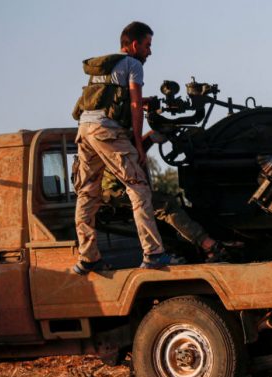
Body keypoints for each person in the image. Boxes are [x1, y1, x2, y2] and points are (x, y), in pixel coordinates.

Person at [72, 21, 171, 274]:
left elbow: (111, 99)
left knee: (87, 194)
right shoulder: (134, 65)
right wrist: (138, 144)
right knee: (138, 188)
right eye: (148, 45)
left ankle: (88, 258)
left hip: (85, 131)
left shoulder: (104, 67)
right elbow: (136, 106)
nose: (150, 51)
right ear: (135, 44)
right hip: (106, 132)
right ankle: (153, 253)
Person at [97, 132, 237, 262]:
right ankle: (209, 245)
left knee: (162, 206)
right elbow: (130, 150)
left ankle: (190, 249)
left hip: (111, 189)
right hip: (115, 190)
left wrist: (152, 137)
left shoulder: (102, 131)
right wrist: (152, 137)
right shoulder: (114, 134)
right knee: (166, 205)